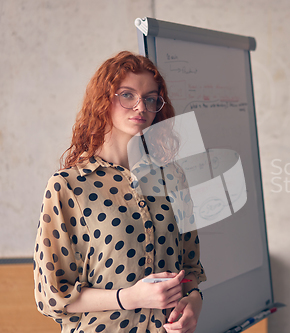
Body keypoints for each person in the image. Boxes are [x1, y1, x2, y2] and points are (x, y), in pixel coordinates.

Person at [34, 51, 206, 333]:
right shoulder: (69, 185)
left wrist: (194, 302)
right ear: (104, 100)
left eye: (150, 98)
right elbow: (50, 294)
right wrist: (129, 298)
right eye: (127, 95)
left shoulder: (172, 178)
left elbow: (190, 266)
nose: (141, 107)